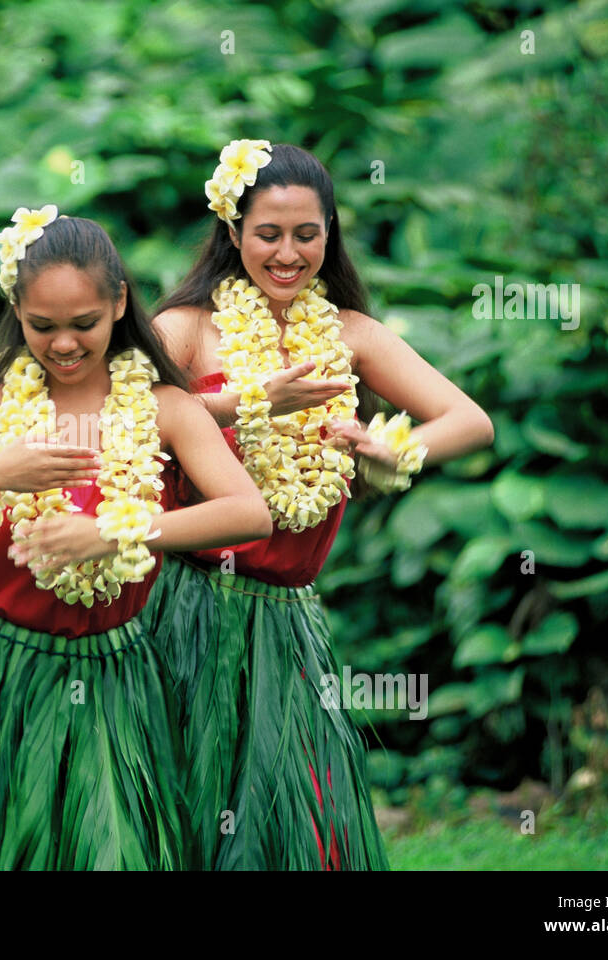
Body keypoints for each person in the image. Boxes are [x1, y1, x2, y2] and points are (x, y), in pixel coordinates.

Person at [0, 207, 272, 870]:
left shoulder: (164, 409)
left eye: (84, 324)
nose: (63, 344)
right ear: (17, 311)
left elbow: (249, 514)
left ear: (120, 303)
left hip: (112, 673)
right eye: (42, 326)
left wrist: (119, 532)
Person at [141, 140, 495, 869]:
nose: (288, 253)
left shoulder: (349, 336)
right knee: (179, 812)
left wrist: (395, 447)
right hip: (182, 604)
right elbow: (129, 427)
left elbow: (469, 421)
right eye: (267, 234)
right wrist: (251, 404)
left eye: (307, 234)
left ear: (329, 234)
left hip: (285, 621)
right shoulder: (188, 327)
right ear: (232, 233)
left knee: (292, 823)